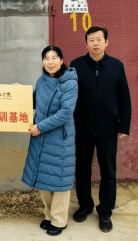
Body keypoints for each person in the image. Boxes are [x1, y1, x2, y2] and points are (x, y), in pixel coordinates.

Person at [70, 26, 131, 233]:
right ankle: (85, 205)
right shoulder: (76, 65)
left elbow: (124, 98)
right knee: (82, 169)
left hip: (108, 129)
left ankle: (105, 211)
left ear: (106, 42)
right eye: (91, 40)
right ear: (86, 43)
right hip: (83, 128)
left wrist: (124, 126)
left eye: (99, 39)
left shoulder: (116, 66)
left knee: (108, 171)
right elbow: (68, 94)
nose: (95, 43)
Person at [22, 46, 78, 237]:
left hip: (59, 138)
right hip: (41, 137)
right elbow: (33, 101)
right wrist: (18, 93)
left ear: (61, 60)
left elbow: (65, 113)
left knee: (59, 181)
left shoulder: (70, 82)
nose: (50, 62)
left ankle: (59, 220)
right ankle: (48, 215)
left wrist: (40, 127)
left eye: (54, 58)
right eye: (46, 58)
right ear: (43, 62)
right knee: (44, 179)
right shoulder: (42, 80)